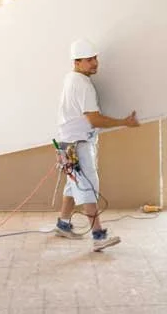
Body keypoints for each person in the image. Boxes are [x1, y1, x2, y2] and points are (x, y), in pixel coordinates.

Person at [55, 39, 139, 251]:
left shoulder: (71, 78)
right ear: (77, 61)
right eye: (89, 59)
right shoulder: (83, 85)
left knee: (74, 185)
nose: (95, 63)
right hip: (77, 145)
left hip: (68, 143)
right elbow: (94, 119)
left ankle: (63, 224)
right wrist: (124, 122)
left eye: (95, 58)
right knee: (87, 187)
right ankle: (98, 236)